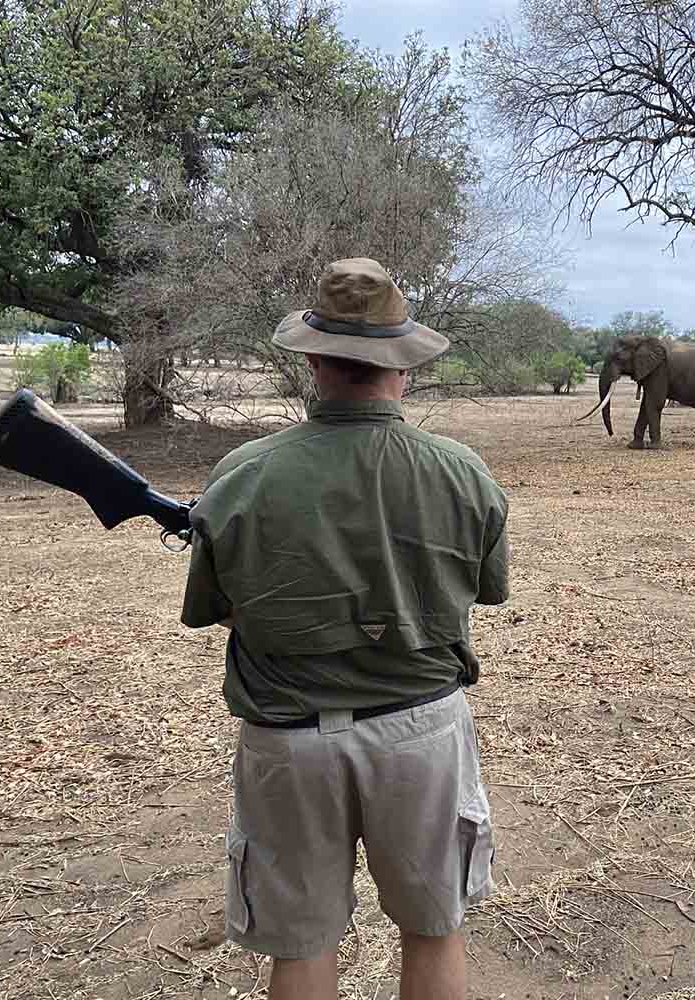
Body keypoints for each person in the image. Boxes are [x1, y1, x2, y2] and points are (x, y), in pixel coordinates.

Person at [180, 258, 510, 1000]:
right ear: (403, 365)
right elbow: (482, 594)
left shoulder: (242, 473)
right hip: (422, 734)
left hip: (287, 741)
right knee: (434, 930)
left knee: (300, 945)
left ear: (312, 361)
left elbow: (214, 609)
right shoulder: (463, 472)